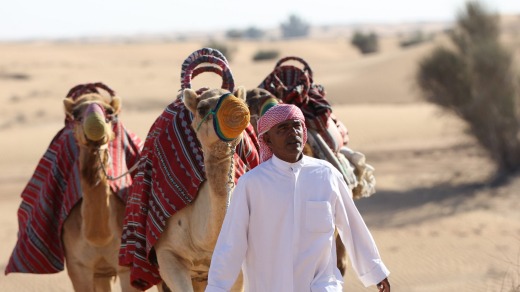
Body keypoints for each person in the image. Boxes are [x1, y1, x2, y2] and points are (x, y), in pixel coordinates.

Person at [206, 104, 391, 292]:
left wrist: (375, 271)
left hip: (321, 286)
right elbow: (231, 243)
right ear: (268, 140)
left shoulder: (327, 175)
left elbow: (352, 226)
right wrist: (216, 288)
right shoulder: (251, 184)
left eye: (296, 126)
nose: (292, 132)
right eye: (283, 128)